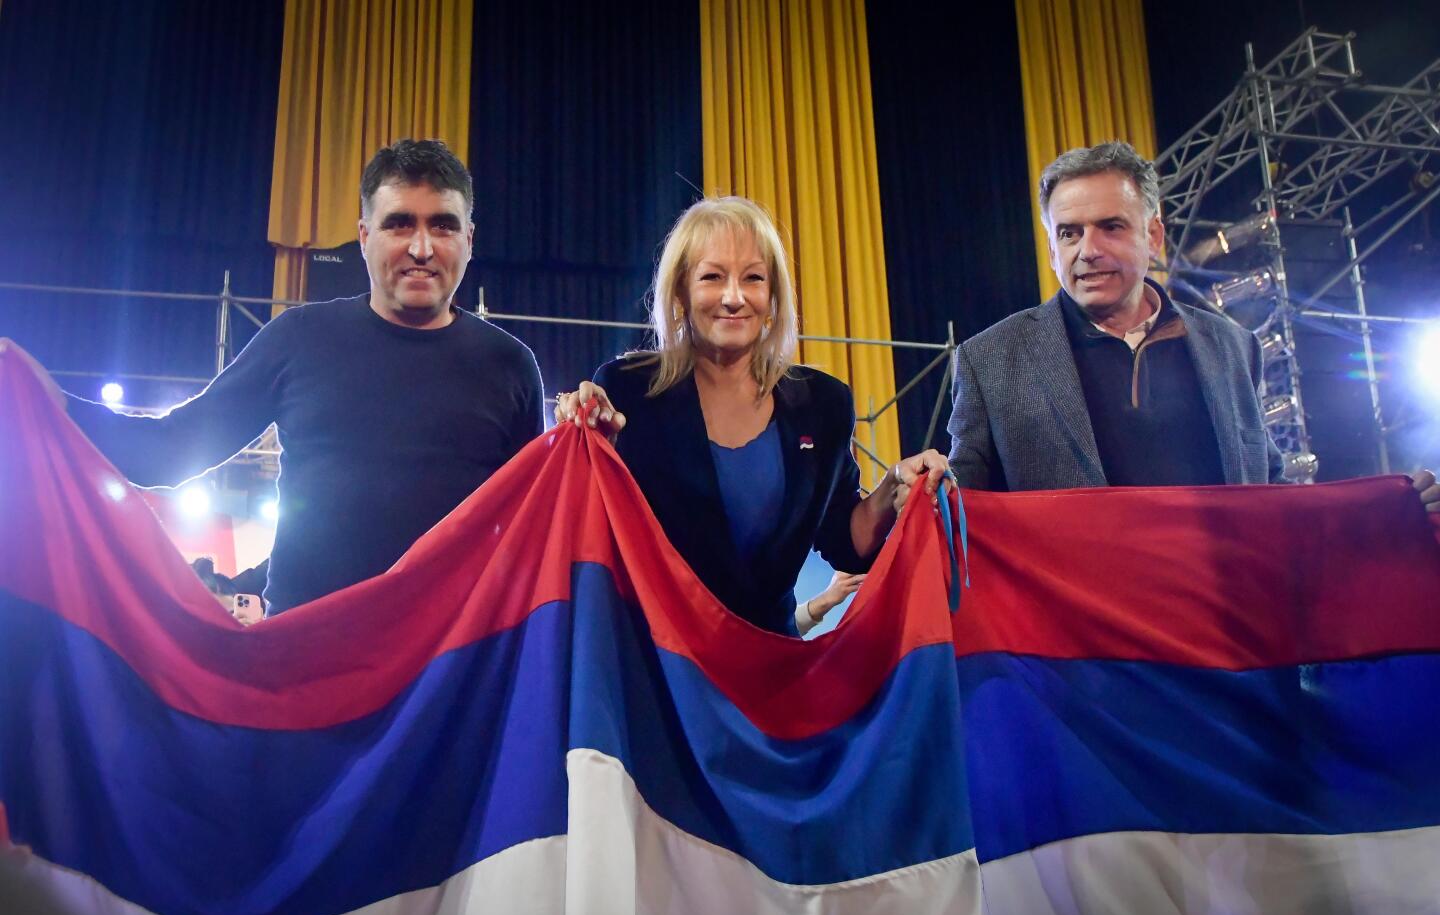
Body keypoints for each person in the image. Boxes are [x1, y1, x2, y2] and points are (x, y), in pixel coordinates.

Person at [5, 139, 545, 614]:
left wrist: (592, 439)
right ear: (363, 236)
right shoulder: (298, 340)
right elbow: (168, 451)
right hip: (306, 667)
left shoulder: (511, 366)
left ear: (469, 240)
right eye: (399, 223)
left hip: (449, 676)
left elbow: (536, 529)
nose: (421, 248)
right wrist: (55, 405)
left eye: (442, 226)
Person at [946, 140, 1440, 512]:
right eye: (1069, 233)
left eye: (1111, 227)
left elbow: (1269, 494)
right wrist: (921, 494)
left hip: (1225, 636)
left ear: (1154, 235)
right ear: (1052, 249)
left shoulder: (1231, 347)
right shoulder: (991, 359)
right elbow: (963, 513)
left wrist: (1387, 511)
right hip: (1077, 643)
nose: (1088, 250)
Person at [556, 197, 949, 636]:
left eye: (753, 278)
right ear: (681, 290)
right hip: (656, 663)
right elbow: (588, 530)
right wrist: (583, 442)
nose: (734, 297)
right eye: (712, 277)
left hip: (768, 672)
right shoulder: (628, 389)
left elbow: (847, 541)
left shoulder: (823, 402)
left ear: (773, 295)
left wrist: (894, 485)